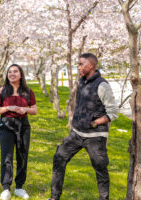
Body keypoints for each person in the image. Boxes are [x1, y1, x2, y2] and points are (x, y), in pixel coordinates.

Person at [48, 53, 119, 200]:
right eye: (78, 64)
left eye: (81, 64)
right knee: (59, 158)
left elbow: (113, 112)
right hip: (76, 134)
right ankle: (54, 197)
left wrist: (94, 123)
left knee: (100, 169)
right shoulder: (81, 81)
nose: (78, 67)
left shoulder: (102, 85)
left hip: (95, 136)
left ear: (91, 66)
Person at [0, 64, 37, 200]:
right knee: (7, 156)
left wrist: (25, 110)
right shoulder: (0, 91)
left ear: (21, 74)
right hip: (7, 124)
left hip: (23, 125)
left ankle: (19, 187)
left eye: (15, 71)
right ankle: (6, 188)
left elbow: (34, 110)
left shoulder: (28, 91)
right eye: (10, 72)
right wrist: (8, 107)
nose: (12, 74)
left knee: (22, 155)